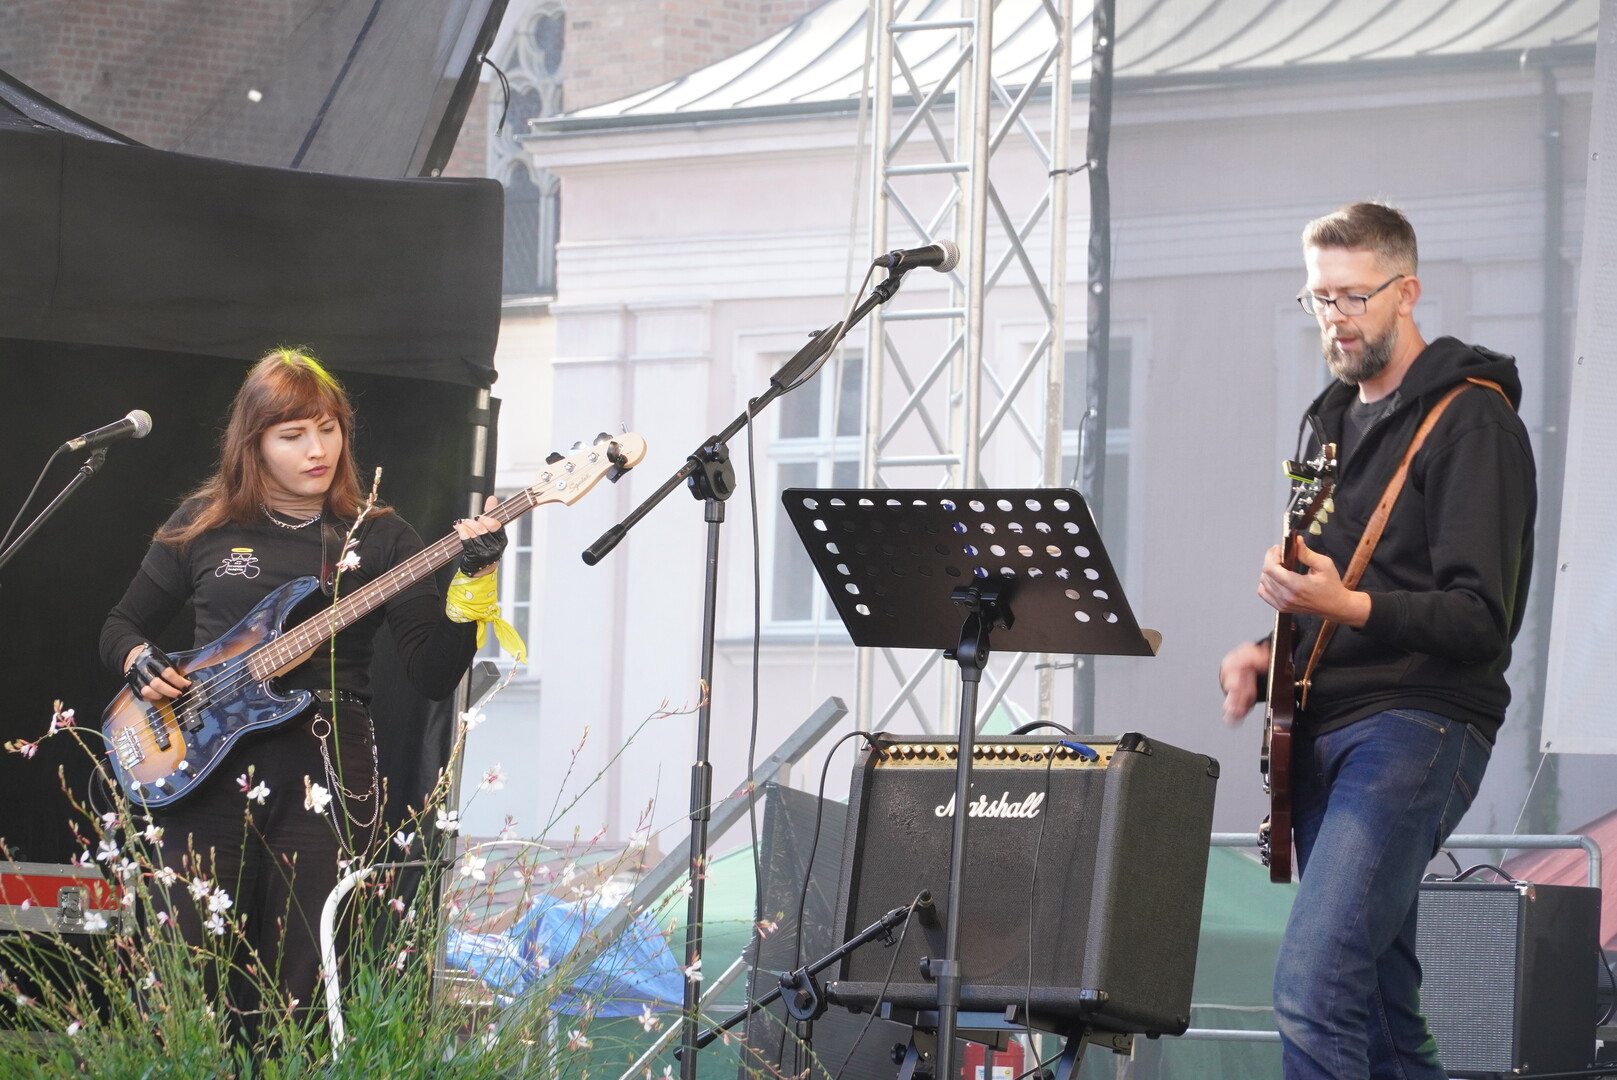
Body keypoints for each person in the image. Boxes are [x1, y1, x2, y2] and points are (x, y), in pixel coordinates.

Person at [100, 348, 510, 1036]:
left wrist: (474, 581)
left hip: (325, 765)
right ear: (253, 443)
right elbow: (120, 625)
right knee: (185, 979)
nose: (317, 450)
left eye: (328, 429)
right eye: (292, 435)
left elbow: (433, 674)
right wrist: (138, 659)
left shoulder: (381, 536)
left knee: (303, 984)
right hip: (200, 767)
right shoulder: (204, 523)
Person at [1217, 202, 1536, 1080]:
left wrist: (1346, 606)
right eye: (1319, 298)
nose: (1335, 317)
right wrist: (1266, 651)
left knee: (1313, 990)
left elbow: (1479, 618)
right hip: (1325, 728)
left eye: (1354, 296)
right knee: (1383, 1022)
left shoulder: (1471, 421)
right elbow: (1343, 581)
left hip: (1417, 724)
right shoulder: (1327, 421)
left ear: (1407, 291)